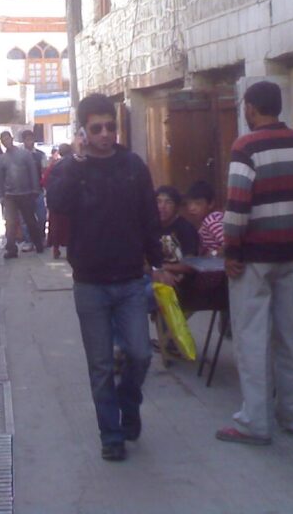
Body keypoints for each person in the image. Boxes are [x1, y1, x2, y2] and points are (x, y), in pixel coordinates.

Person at [46, 93, 174, 462]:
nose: (105, 134)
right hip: (90, 284)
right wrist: (75, 162)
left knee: (139, 354)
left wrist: (158, 261)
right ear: (83, 131)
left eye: (110, 127)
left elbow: (149, 218)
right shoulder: (73, 167)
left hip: (132, 280)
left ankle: (129, 403)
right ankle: (111, 435)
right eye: (97, 128)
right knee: (100, 364)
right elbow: (57, 204)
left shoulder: (133, 165)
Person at [216, 80, 293, 446]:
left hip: (254, 256)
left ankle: (255, 422)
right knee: (292, 335)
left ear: (251, 107)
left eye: (245, 105)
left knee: (252, 338)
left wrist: (231, 251)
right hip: (290, 251)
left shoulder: (246, 146)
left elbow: (237, 205)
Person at [0, 130, 43, 258]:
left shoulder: (25, 155)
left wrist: (35, 189)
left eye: (8, 139)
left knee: (30, 220)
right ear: (2, 142)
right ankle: (11, 249)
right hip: (10, 195)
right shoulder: (2, 159)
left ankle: (38, 244)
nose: (7, 142)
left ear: (12, 139)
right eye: (4, 140)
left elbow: (33, 172)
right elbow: (0, 179)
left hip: (26, 193)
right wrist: (1, 195)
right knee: (10, 222)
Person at [20, 129, 48, 249]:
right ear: (23, 141)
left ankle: (41, 238)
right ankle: (28, 240)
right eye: (27, 139)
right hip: (24, 191)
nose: (29, 142)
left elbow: (45, 171)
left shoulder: (40, 155)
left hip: (39, 190)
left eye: (31, 139)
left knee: (41, 216)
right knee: (26, 218)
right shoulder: (19, 156)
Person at [44, 143, 73, 260]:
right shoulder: (75, 163)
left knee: (56, 226)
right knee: (70, 226)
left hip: (55, 200)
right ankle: (70, 250)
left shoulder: (54, 165)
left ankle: (56, 249)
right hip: (70, 200)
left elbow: (44, 180)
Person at [155, 185, 199, 260]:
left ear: (177, 207)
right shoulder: (150, 227)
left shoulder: (187, 229)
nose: (162, 206)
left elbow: (191, 264)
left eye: (168, 202)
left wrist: (159, 268)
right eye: (158, 201)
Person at [186, 180, 224, 256]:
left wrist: (213, 253)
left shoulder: (211, 221)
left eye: (198, 203)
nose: (192, 208)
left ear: (211, 204)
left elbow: (231, 246)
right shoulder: (206, 222)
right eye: (189, 203)